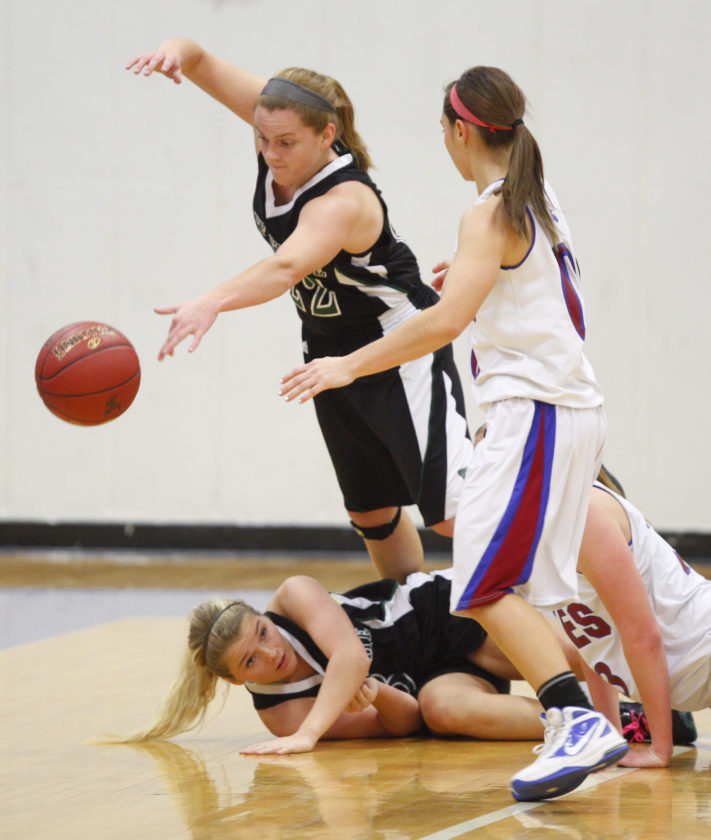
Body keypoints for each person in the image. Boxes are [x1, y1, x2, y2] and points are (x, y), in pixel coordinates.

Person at [279, 65, 629, 800]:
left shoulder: (487, 212)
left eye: (443, 129)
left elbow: (441, 324)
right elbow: (521, 284)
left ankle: (581, 719)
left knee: (482, 580)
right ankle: (604, 706)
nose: (442, 141)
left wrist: (347, 365)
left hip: (533, 412)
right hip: (559, 410)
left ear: (462, 132)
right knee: (518, 578)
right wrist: (478, 279)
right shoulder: (533, 195)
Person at [125, 39, 475, 582]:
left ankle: (577, 513)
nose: (271, 152)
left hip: (396, 346)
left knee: (453, 515)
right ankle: (408, 612)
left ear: (326, 134)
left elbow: (286, 267)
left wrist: (211, 301)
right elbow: (200, 61)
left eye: (286, 142)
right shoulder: (279, 119)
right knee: (371, 511)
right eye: (261, 138)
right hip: (328, 351)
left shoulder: (345, 200)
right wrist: (176, 51)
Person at [112, 568, 551, 753]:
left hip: (441, 612)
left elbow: (350, 656)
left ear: (263, 615)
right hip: (437, 682)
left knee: (563, 661)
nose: (271, 652)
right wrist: (380, 697)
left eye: (263, 632)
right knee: (443, 712)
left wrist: (310, 734)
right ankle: (590, 721)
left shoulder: (294, 595)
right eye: (251, 661)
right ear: (234, 680)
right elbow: (408, 722)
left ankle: (587, 687)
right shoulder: (283, 714)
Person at [555, 475, 708, 768]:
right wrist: (611, 740)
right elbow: (591, 643)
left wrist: (660, 749)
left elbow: (644, 636)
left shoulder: (584, 513)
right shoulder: (549, 525)